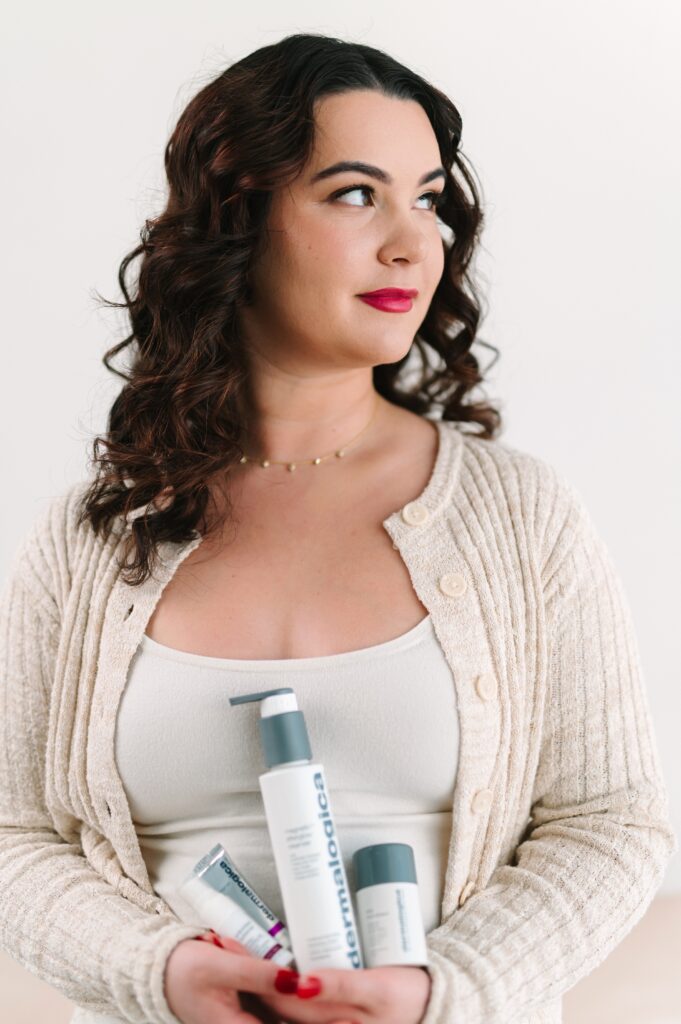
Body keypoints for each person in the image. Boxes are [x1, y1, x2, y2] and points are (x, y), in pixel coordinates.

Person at [0, 31, 676, 1024]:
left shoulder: (518, 514)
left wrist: (443, 989)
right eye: (356, 194)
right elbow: (16, 836)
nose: (412, 240)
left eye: (430, 198)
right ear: (241, 215)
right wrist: (162, 972)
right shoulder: (95, 534)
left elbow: (612, 822)